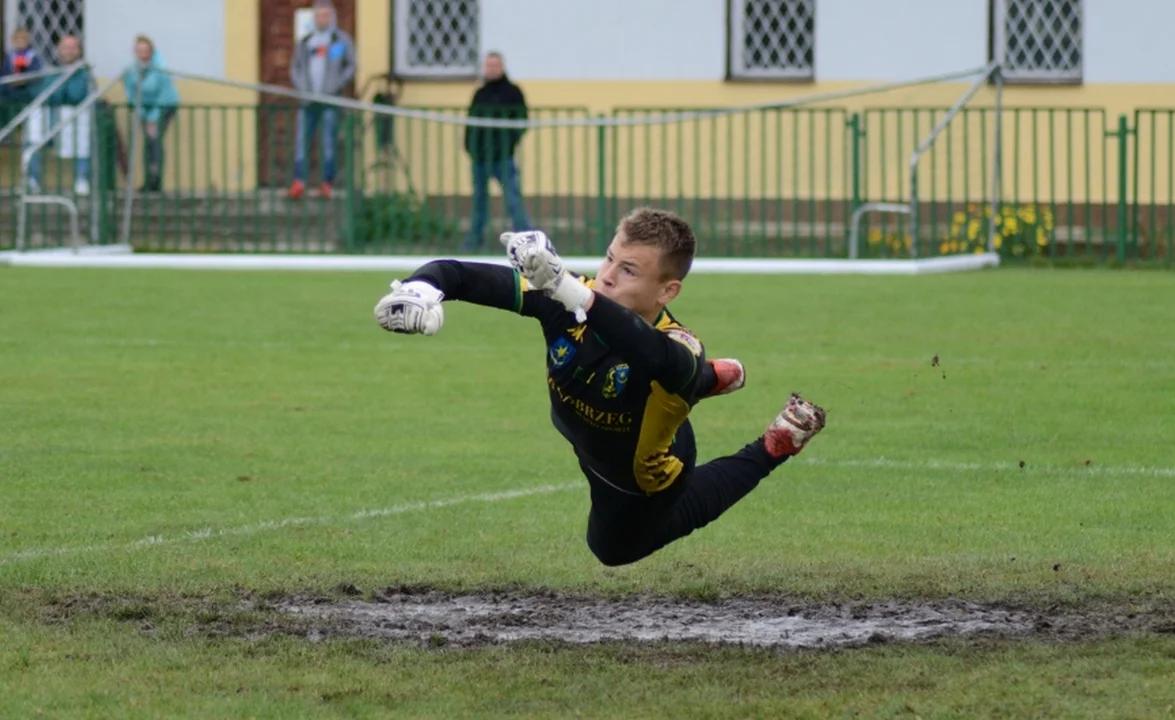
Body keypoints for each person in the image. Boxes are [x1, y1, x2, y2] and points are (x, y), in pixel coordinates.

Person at [373, 207, 827, 567]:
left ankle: (773, 446)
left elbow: (649, 351)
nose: (608, 274)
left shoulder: (674, 342)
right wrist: (420, 289)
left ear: (667, 292)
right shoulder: (566, 296)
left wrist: (569, 290)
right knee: (682, 378)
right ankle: (714, 378)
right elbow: (459, 275)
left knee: (612, 550)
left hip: (643, 477)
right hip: (603, 432)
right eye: (610, 257)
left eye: (628, 270)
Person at [288, 0, 356, 199]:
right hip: (307, 101)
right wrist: (302, 89)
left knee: (328, 141)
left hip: (329, 101)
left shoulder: (340, 41)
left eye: (326, 15)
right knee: (302, 140)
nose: (322, 19)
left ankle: (327, 182)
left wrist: (336, 85)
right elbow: (296, 67)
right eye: (319, 15)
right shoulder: (306, 41)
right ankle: (299, 181)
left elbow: (350, 66)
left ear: (332, 17)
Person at [463, 51, 530, 251]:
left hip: (503, 157)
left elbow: (521, 120)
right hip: (480, 158)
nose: (492, 69)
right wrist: (471, 147)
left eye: (495, 65)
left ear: (502, 67)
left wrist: (508, 143)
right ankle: (474, 243)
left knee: (513, 201)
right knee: (479, 202)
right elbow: (471, 122)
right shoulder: (480, 93)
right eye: (488, 66)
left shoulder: (512, 92)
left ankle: (527, 242)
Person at [28, 35, 92, 195]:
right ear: (58, 51)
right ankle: (32, 179)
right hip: (52, 116)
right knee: (31, 136)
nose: (68, 51)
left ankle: (82, 180)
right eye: (64, 47)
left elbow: (76, 94)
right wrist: (62, 87)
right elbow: (47, 94)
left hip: (75, 119)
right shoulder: (52, 72)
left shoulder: (84, 73)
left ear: (79, 51)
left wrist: (62, 87)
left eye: (72, 47)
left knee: (83, 142)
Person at [121, 35, 180, 192]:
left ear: (151, 51)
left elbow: (163, 94)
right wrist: (141, 113)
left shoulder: (160, 69)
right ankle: (149, 179)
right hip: (145, 108)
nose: (143, 54)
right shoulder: (131, 71)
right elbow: (131, 94)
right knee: (148, 141)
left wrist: (153, 118)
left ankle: (156, 180)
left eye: (146, 50)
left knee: (154, 138)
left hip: (165, 105)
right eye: (139, 50)